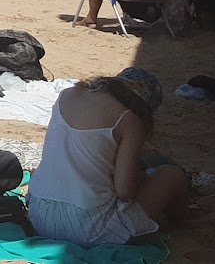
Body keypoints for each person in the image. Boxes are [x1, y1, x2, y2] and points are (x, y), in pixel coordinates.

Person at [27, 68, 188, 248]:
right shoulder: (129, 121)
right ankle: (181, 224)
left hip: (39, 216)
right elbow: (125, 192)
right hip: (90, 230)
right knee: (171, 174)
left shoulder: (67, 95)